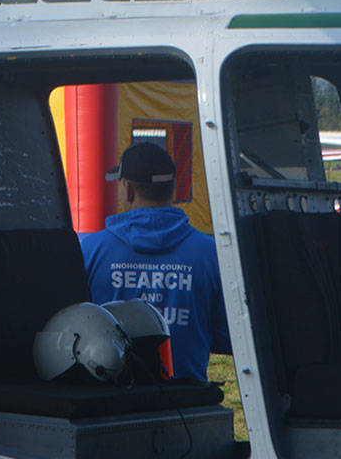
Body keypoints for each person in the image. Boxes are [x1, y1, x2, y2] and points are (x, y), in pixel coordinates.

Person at [79, 142, 231, 383]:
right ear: (173, 189)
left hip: (107, 404)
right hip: (186, 405)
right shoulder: (211, 253)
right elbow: (226, 337)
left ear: (127, 190)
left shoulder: (89, 250)